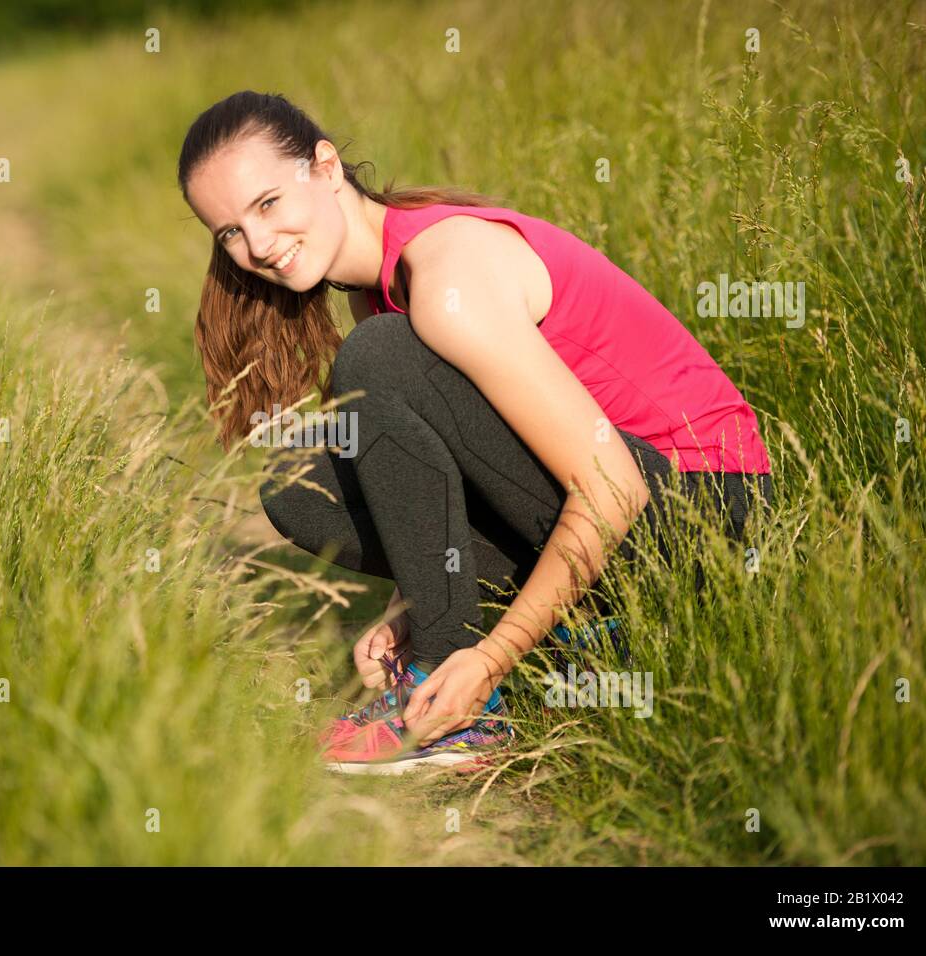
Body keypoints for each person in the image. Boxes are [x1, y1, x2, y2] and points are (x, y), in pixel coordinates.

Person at [178, 90, 774, 774]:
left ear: (327, 166)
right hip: (627, 519)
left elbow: (613, 490)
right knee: (298, 482)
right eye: (227, 232)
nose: (255, 246)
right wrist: (413, 605)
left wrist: (487, 659)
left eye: (267, 204)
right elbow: (445, 479)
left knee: (374, 358)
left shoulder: (445, 275)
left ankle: (462, 702)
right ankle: (576, 648)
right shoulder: (382, 289)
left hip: (709, 523)